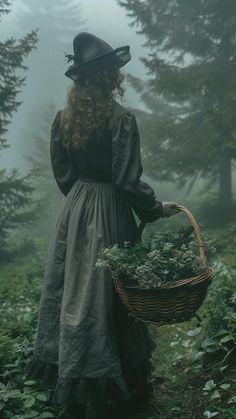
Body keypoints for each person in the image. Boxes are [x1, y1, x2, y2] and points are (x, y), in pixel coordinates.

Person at [26, 32, 179, 419]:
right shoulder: (121, 119)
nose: (118, 77)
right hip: (110, 209)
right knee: (112, 294)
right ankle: (118, 384)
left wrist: (81, 201)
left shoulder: (65, 119)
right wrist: (154, 208)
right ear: (108, 76)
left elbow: (64, 175)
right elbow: (126, 181)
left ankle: (81, 386)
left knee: (76, 290)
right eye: (114, 72)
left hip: (75, 210)